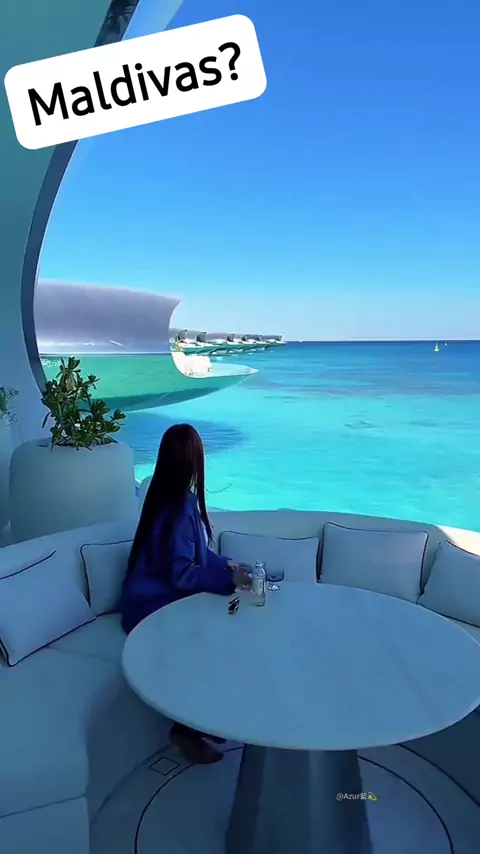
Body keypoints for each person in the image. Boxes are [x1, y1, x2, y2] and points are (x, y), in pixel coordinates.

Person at [120, 423, 252, 764]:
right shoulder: (179, 506)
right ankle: (186, 728)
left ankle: (202, 717)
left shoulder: (167, 497)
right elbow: (182, 574)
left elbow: (196, 555)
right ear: (194, 461)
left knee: (220, 626)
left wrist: (227, 564)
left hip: (151, 597)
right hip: (150, 605)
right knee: (208, 639)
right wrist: (230, 580)